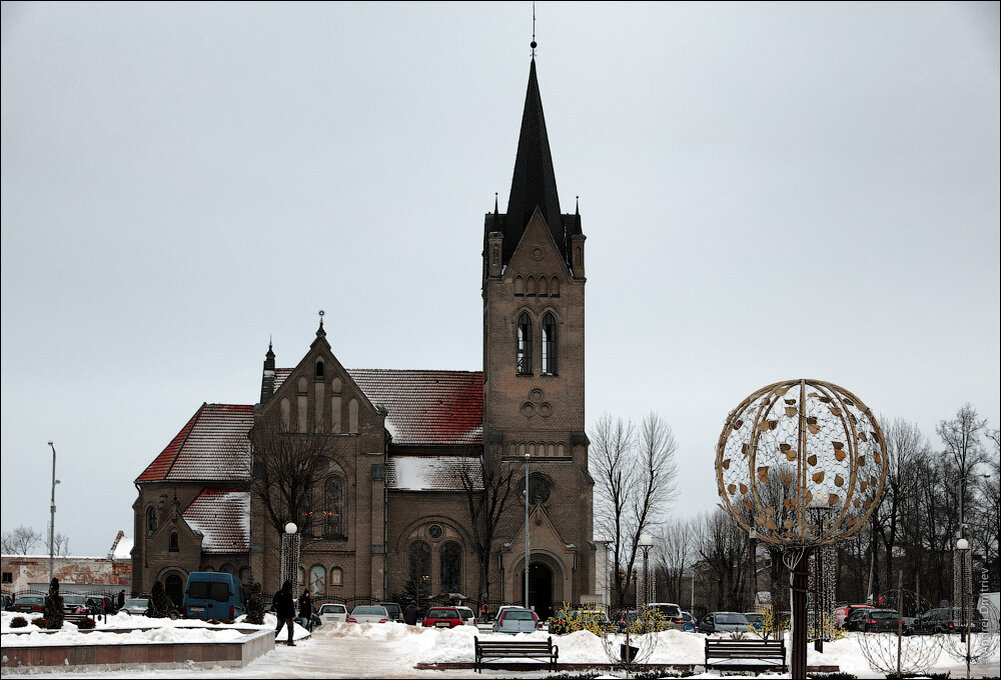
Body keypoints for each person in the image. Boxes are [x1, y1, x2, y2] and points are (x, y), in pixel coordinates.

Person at [273, 580, 296, 646]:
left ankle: (271, 639)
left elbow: (274, 603)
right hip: (288, 614)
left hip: (280, 614)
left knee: (278, 627)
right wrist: (293, 614)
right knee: (290, 628)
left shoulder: (278, 593)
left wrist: (277, 608)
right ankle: (290, 641)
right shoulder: (288, 594)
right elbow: (291, 605)